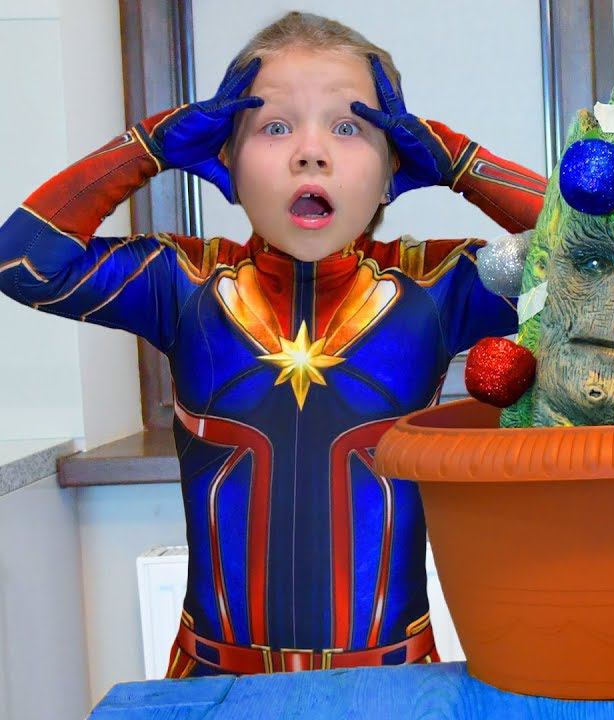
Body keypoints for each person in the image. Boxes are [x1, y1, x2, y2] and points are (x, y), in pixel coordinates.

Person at [0, 11, 546, 676]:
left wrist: (462, 163)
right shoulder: (182, 283)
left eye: (348, 126)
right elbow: (24, 263)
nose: (310, 152)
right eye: (275, 126)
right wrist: (148, 147)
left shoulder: (437, 285)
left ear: (393, 170)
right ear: (225, 162)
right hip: (212, 688)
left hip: (395, 686)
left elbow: (610, 263)